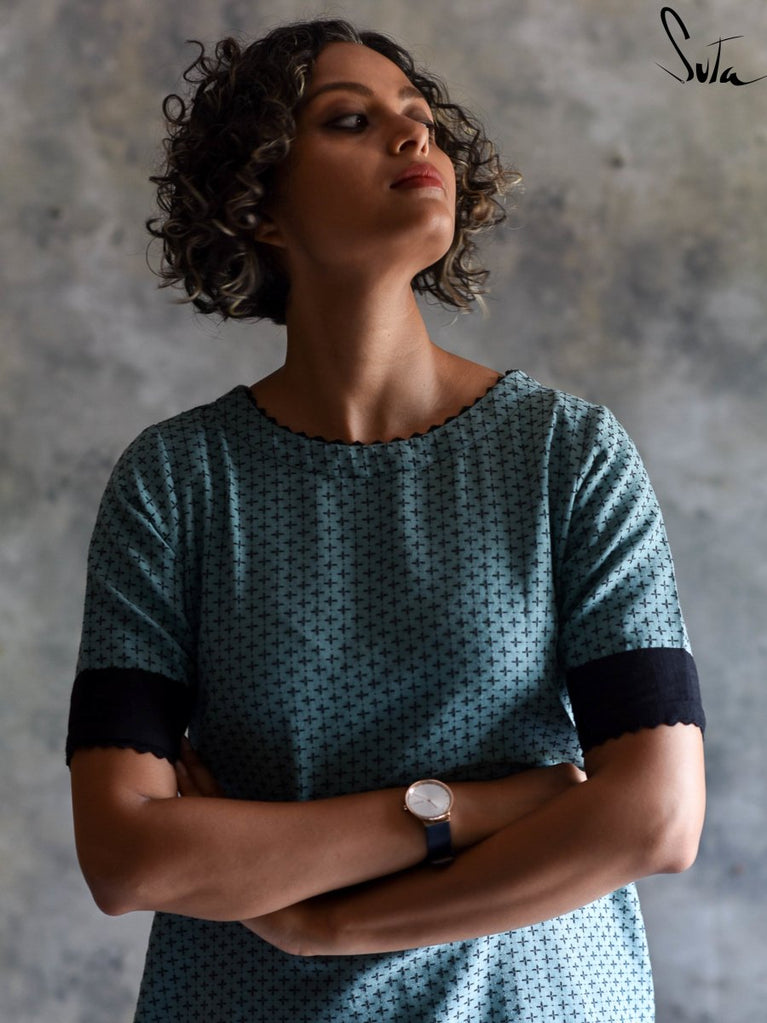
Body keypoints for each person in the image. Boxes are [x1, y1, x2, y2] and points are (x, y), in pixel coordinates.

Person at [67, 18, 706, 1023]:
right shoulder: (176, 481)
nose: (414, 138)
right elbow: (127, 854)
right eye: (349, 121)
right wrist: (471, 808)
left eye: (419, 119)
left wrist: (329, 926)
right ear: (257, 205)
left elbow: (654, 816)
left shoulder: (566, 452)